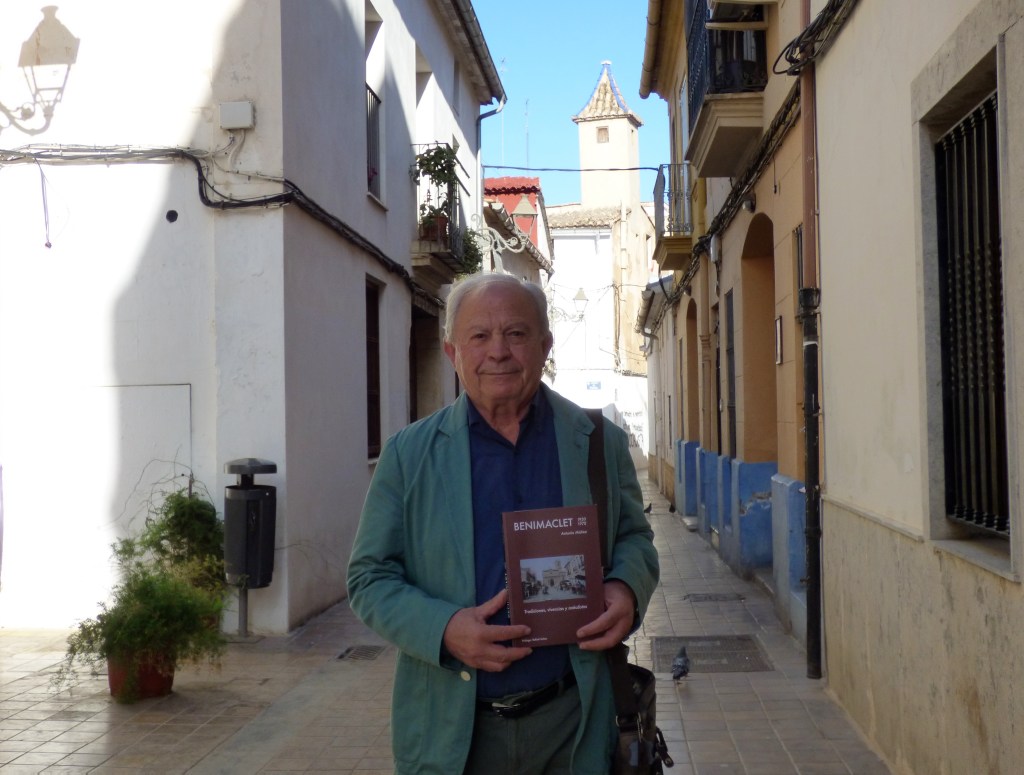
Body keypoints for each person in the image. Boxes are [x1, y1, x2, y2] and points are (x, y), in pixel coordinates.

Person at [347, 272, 659, 775]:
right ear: (453, 352)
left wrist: (625, 588)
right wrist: (444, 628)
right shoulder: (409, 454)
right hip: (455, 729)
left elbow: (633, 539)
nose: (498, 351)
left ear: (544, 346)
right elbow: (368, 577)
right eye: (479, 336)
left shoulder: (597, 441)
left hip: (573, 720)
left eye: (516, 333)